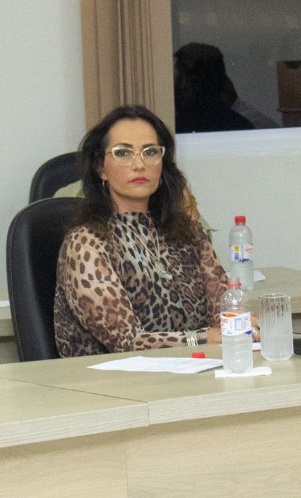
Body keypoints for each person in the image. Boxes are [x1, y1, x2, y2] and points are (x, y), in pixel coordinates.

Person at [54, 105, 230, 356]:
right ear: (101, 168)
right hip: (109, 377)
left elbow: (224, 310)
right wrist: (203, 338)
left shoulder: (188, 231)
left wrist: (241, 323)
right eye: (123, 153)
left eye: (150, 152)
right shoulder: (85, 243)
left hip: (195, 368)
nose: (139, 164)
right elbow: (127, 342)